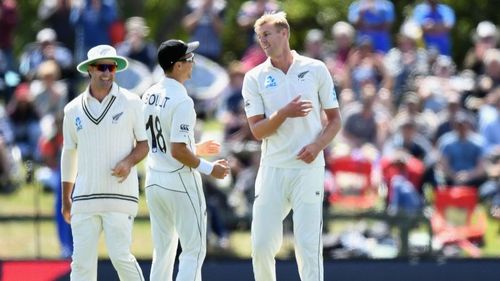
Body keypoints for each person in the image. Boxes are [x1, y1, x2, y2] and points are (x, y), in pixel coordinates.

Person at [242, 12, 342, 281]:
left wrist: (317, 145)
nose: (262, 41)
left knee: (308, 247)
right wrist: (284, 113)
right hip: (272, 168)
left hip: (307, 169)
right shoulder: (254, 77)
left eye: (267, 35)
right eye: (259, 37)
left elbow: (334, 121)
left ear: (284, 33)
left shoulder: (316, 68)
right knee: (261, 247)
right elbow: (258, 130)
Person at [142, 39, 230, 281]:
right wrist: (210, 168)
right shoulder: (182, 100)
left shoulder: (149, 93)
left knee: (163, 252)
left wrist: (196, 148)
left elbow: (162, 142)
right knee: (193, 250)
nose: (193, 63)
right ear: (177, 66)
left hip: (154, 180)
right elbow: (178, 151)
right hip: (179, 182)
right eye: (189, 59)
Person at [60, 44, 147, 281]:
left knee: (121, 257)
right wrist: (66, 198)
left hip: (120, 196)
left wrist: (129, 162)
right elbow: (69, 153)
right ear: (90, 69)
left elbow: (143, 144)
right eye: (102, 67)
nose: (107, 72)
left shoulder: (131, 102)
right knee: (81, 265)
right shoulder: (72, 109)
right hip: (85, 197)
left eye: (112, 67)